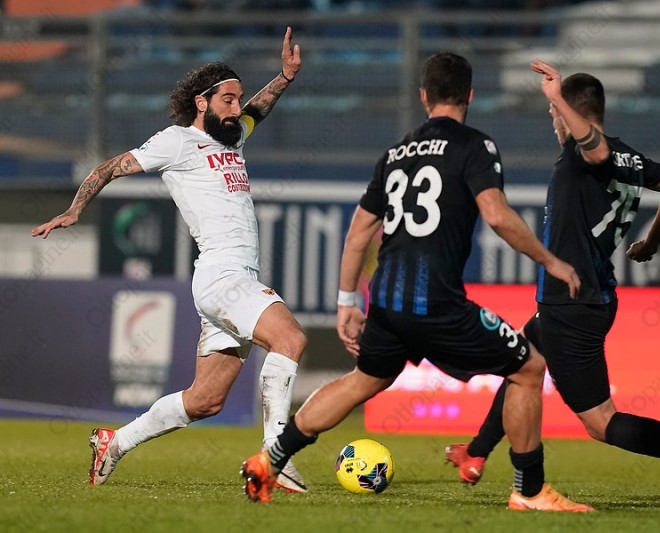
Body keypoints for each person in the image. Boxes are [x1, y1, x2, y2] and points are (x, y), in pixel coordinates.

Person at [240, 52, 593, 513]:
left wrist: (346, 302)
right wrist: (552, 262)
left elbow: (359, 232)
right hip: (437, 302)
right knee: (528, 368)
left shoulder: (395, 154)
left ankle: (269, 460)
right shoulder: (475, 146)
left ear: (424, 96)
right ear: (470, 95)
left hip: (386, 300)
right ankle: (529, 491)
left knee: (362, 381)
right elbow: (497, 215)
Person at [444, 59, 660, 507]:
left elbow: (597, 151)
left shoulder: (586, 152)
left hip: (573, 302)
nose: (554, 124)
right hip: (588, 296)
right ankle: (476, 452)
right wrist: (651, 242)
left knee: (601, 422)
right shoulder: (630, 158)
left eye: (555, 115)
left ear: (570, 111)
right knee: (523, 359)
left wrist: (556, 98)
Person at [32, 27, 310, 494]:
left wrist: (284, 77)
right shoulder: (177, 141)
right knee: (291, 338)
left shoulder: (232, 138)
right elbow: (109, 167)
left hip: (234, 277)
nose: (236, 108)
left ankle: (115, 442)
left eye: (237, 99)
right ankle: (274, 456)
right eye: (227, 99)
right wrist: (76, 208)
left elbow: (258, 109)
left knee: (205, 401)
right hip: (222, 275)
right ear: (202, 102)